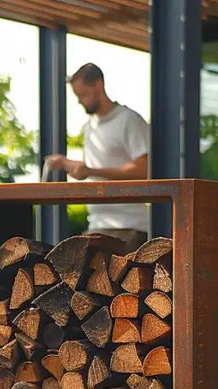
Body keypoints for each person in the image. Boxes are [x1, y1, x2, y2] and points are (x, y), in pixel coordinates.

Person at [44, 63, 150, 251]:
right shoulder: (90, 127)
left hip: (128, 227)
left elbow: (145, 169)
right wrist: (67, 164)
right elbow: (98, 168)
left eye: (83, 94)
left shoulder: (128, 120)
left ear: (98, 85)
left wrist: (90, 170)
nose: (79, 101)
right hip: (97, 224)